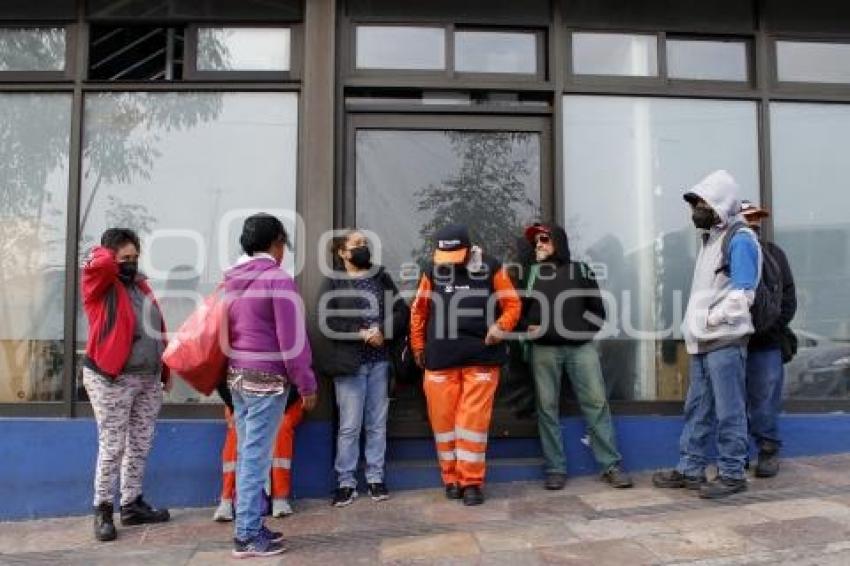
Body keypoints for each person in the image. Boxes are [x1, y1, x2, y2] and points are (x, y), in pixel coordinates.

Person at [653, 170, 761, 499]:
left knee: (729, 409)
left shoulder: (739, 238)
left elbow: (744, 294)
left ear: (719, 203)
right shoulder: (712, 239)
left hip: (724, 340)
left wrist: (712, 319)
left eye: (701, 203)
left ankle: (731, 473)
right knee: (698, 407)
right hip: (703, 341)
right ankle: (691, 468)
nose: (695, 210)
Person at [225, 213, 318, 558]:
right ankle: (247, 534)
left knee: (248, 451)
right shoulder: (277, 280)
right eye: (283, 244)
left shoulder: (234, 279)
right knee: (255, 458)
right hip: (266, 382)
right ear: (276, 244)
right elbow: (293, 342)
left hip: (238, 377)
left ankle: (249, 525)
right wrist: (307, 384)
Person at [410, 224, 521, 506]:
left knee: (472, 423)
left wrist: (500, 327)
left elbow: (512, 304)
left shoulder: (491, 266)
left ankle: (471, 482)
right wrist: (418, 346)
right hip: (439, 358)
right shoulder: (431, 268)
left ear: (469, 248)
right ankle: (451, 479)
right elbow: (419, 310)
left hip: (481, 356)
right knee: (444, 422)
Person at [519, 223, 633, 490]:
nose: (538, 245)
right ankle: (555, 468)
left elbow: (597, 311)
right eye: (535, 241)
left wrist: (582, 333)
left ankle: (611, 466)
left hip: (581, 349)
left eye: (544, 239)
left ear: (557, 241)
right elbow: (518, 309)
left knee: (596, 403)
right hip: (544, 350)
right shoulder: (530, 273)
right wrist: (528, 327)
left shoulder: (580, 270)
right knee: (547, 409)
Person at [81, 228, 172, 542]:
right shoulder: (100, 284)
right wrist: (108, 251)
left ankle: (131, 504)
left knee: (141, 443)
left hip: (147, 377)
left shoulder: (140, 285)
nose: (131, 263)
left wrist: (164, 370)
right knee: (113, 445)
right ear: (111, 257)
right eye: (125, 258)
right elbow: (101, 265)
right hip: (112, 378)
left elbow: (155, 325)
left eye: (135, 257)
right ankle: (103, 508)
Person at [317, 229, 408, 507]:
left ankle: (375, 478)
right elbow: (326, 320)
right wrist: (360, 333)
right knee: (350, 426)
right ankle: (346, 482)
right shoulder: (333, 281)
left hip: (380, 361)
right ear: (342, 252)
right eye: (357, 245)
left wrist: (383, 330)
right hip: (349, 364)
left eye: (365, 244)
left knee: (377, 424)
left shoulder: (379, 276)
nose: (363, 248)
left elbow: (401, 310)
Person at [740, 200, 797, 478]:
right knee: (733, 403)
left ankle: (768, 450)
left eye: (757, 218)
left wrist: (765, 328)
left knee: (764, 403)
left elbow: (788, 300)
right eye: (748, 217)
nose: (755, 223)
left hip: (766, 345)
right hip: (731, 342)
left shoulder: (774, 254)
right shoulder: (727, 253)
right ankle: (736, 455)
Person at [213, 389, 304, 522]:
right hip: (242, 400)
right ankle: (226, 500)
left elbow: (297, 379)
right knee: (235, 433)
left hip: (284, 401)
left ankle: (280, 497)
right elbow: (224, 382)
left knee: (280, 428)